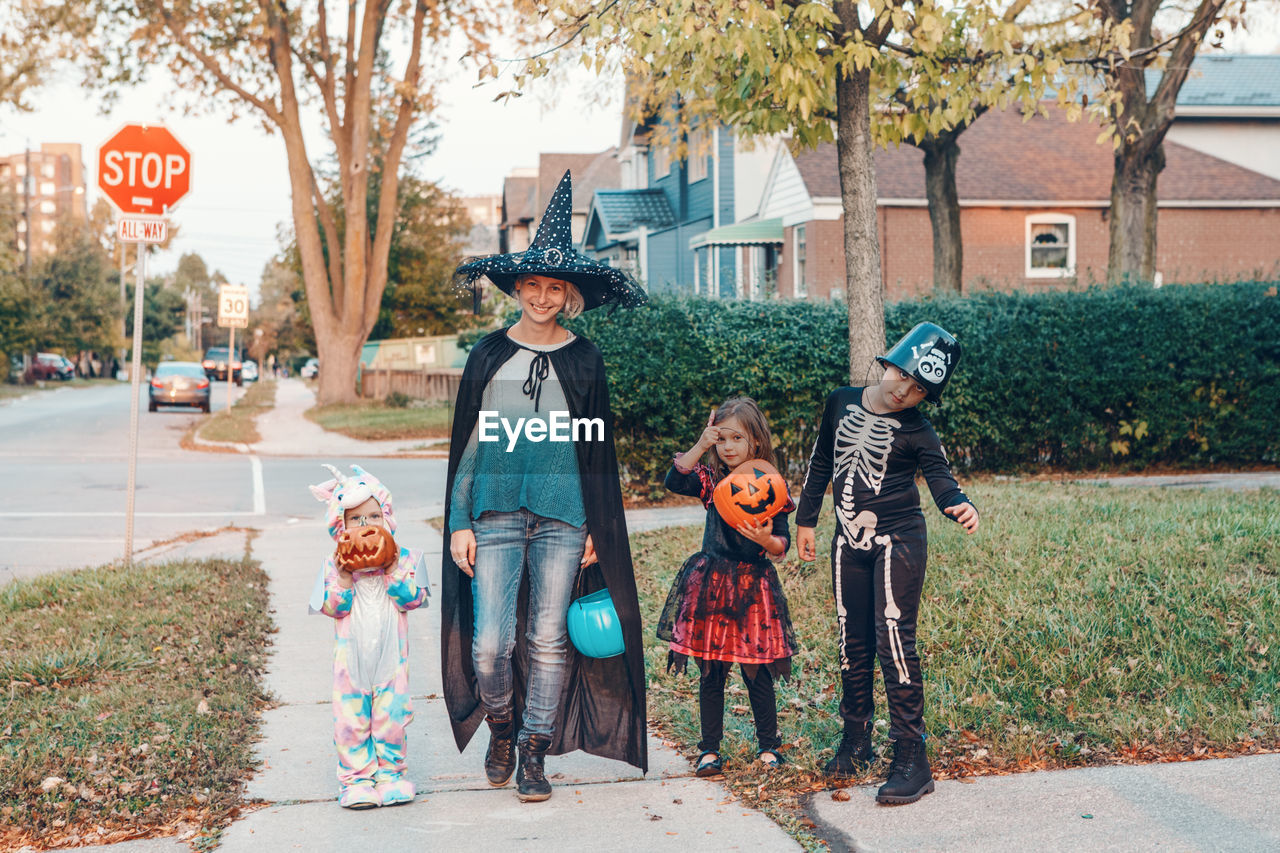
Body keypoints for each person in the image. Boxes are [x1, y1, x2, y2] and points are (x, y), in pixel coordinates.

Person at [443, 170, 649, 803]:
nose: (540, 295)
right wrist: (457, 520)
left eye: (553, 286)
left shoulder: (585, 359)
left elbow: (597, 451)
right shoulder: (488, 356)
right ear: (518, 288)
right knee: (490, 645)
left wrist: (596, 528)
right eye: (531, 284)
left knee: (548, 638)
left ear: (568, 295)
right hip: (495, 513)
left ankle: (534, 752)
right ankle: (501, 728)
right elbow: (468, 445)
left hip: (564, 520)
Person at [796, 322, 979, 805]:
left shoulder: (918, 428)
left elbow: (940, 474)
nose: (906, 391)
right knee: (849, 640)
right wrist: (806, 520)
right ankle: (855, 738)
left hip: (898, 539)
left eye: (921, 389)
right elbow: (821, 462)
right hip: (846, 539)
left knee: (892, 638)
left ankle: (911, 755)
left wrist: (958, 502)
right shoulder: (840, 402)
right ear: (890, 363)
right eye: (905, 376)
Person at [656, 397, 798, 777]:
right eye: (722, 440)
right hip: (712, 587)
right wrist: (701, 445)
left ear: (756, 441)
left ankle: (769, 746)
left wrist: (768, 542)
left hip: (754, 588)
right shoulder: (713, 482)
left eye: (737, 438)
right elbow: (674, 479)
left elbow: (783, 544)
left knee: (757, 671)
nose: (729, 446)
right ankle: (709, 750)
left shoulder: (771, 485)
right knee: (712, 671)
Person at [308, 464, 429, 810]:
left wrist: (391, 567)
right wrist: (345, 577)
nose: (366, 527)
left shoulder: (404, 558)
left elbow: (415, 598)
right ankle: (357, 780)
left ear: (387, 517)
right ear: (340, 527)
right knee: (351, 719)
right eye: (356, 520)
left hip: (391, 660)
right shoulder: (334, 565)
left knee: (391, 716)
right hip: (352, 662)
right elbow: (332, 607)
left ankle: (391, 775)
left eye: (374, 516)